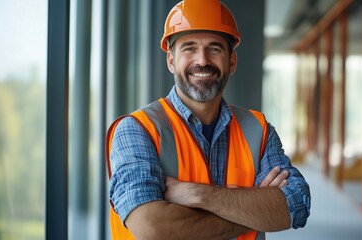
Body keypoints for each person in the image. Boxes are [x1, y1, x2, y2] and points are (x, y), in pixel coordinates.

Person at [106, 0, 311, 239]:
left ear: (231, 62)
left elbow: (296, 205)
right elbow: (152, 228)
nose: (202, 60)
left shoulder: (259, 130)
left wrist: (196, 194)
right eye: (189, 48)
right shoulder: (137, 130)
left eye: (214, 48)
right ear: (171, 61)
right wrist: (253, 211)